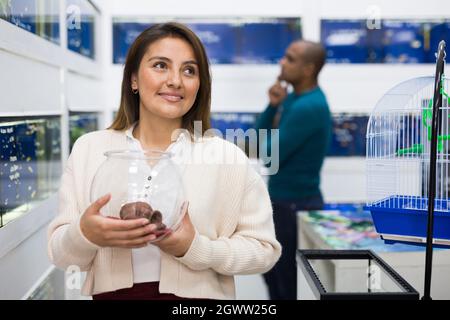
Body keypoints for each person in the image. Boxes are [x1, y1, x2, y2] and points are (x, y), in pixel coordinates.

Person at [47, 22, 281, 300]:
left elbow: (263, 251)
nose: (175, 80)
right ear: (133, 79)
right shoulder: (90, 148)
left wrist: (194, 247)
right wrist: (85, 233)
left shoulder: (226, 157)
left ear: (199, 85)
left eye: (189, 70)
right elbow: (60, 254)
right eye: (160, 65)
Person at [255, 40, 331, 300]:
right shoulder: (294, 100)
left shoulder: (308, 106)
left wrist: (277, 111)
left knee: (286, 284)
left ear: (309, 69)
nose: (282, 63)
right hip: (286, 204)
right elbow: (259, 141)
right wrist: (273, 105)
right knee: (275, 277)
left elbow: (267, 155)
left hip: (295, 207)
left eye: (290, 58)